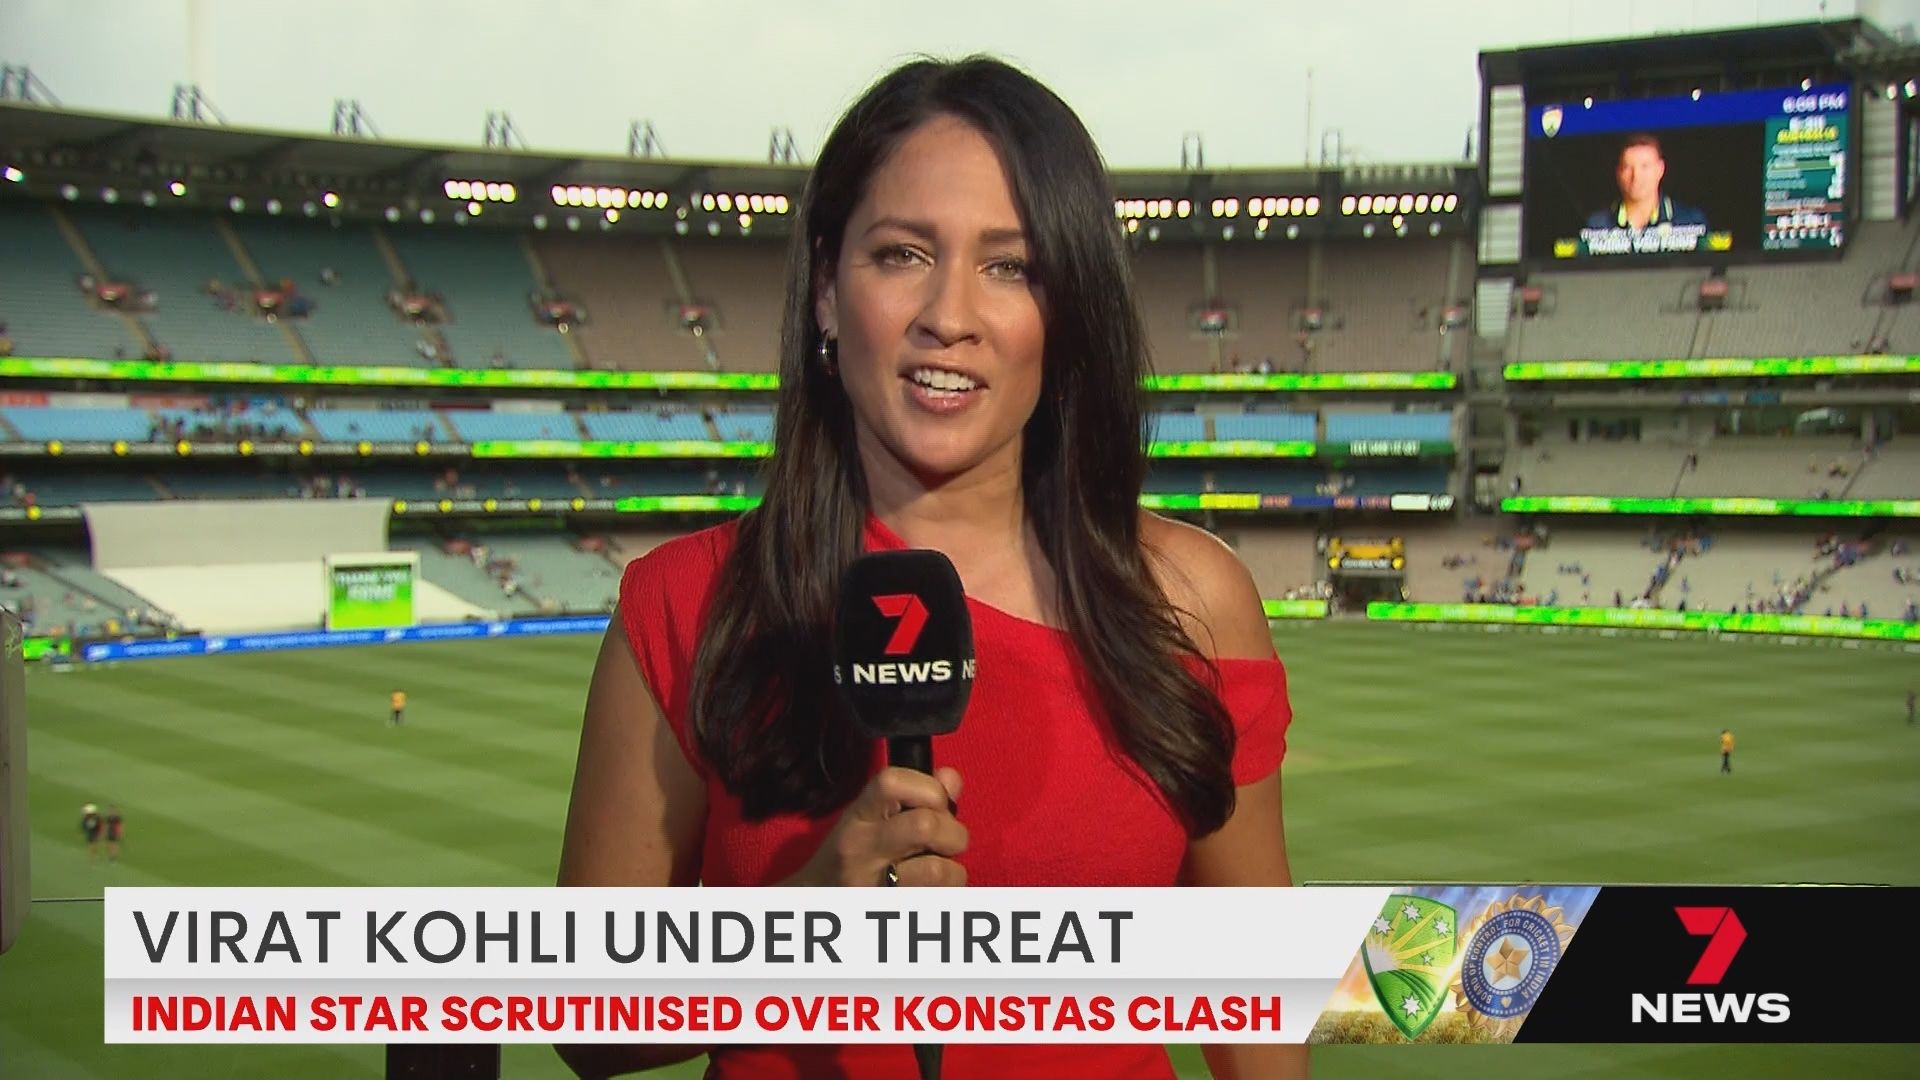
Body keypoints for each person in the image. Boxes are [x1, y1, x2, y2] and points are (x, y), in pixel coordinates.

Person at [557, 56, 1296, 1080]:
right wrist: (801, 931)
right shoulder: (685, 603)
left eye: (1011, 267)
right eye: (902, 253)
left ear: (1068, 313)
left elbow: (1254, 999)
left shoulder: (1192, 600)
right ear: (827, 290)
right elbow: (589, 1025)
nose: (950, 313)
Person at [1585, 133, 1707, 231]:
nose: (1636, 176)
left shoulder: (1690, 221)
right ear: (1618, 172)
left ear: (1660, 169)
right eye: (1627, 167)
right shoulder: (1597, 225)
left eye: (1645, 166)